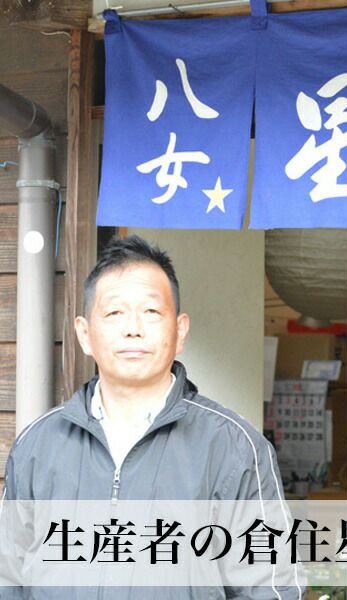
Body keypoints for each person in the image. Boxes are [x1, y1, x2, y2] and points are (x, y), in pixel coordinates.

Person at [1, 235, 302, 599]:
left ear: (180, 331)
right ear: (84, 334)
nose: (133, 328)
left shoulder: (234, 447)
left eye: (151, 312)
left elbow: (273, 588)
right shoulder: (38, 445)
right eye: (114, 313)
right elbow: (8, 577)